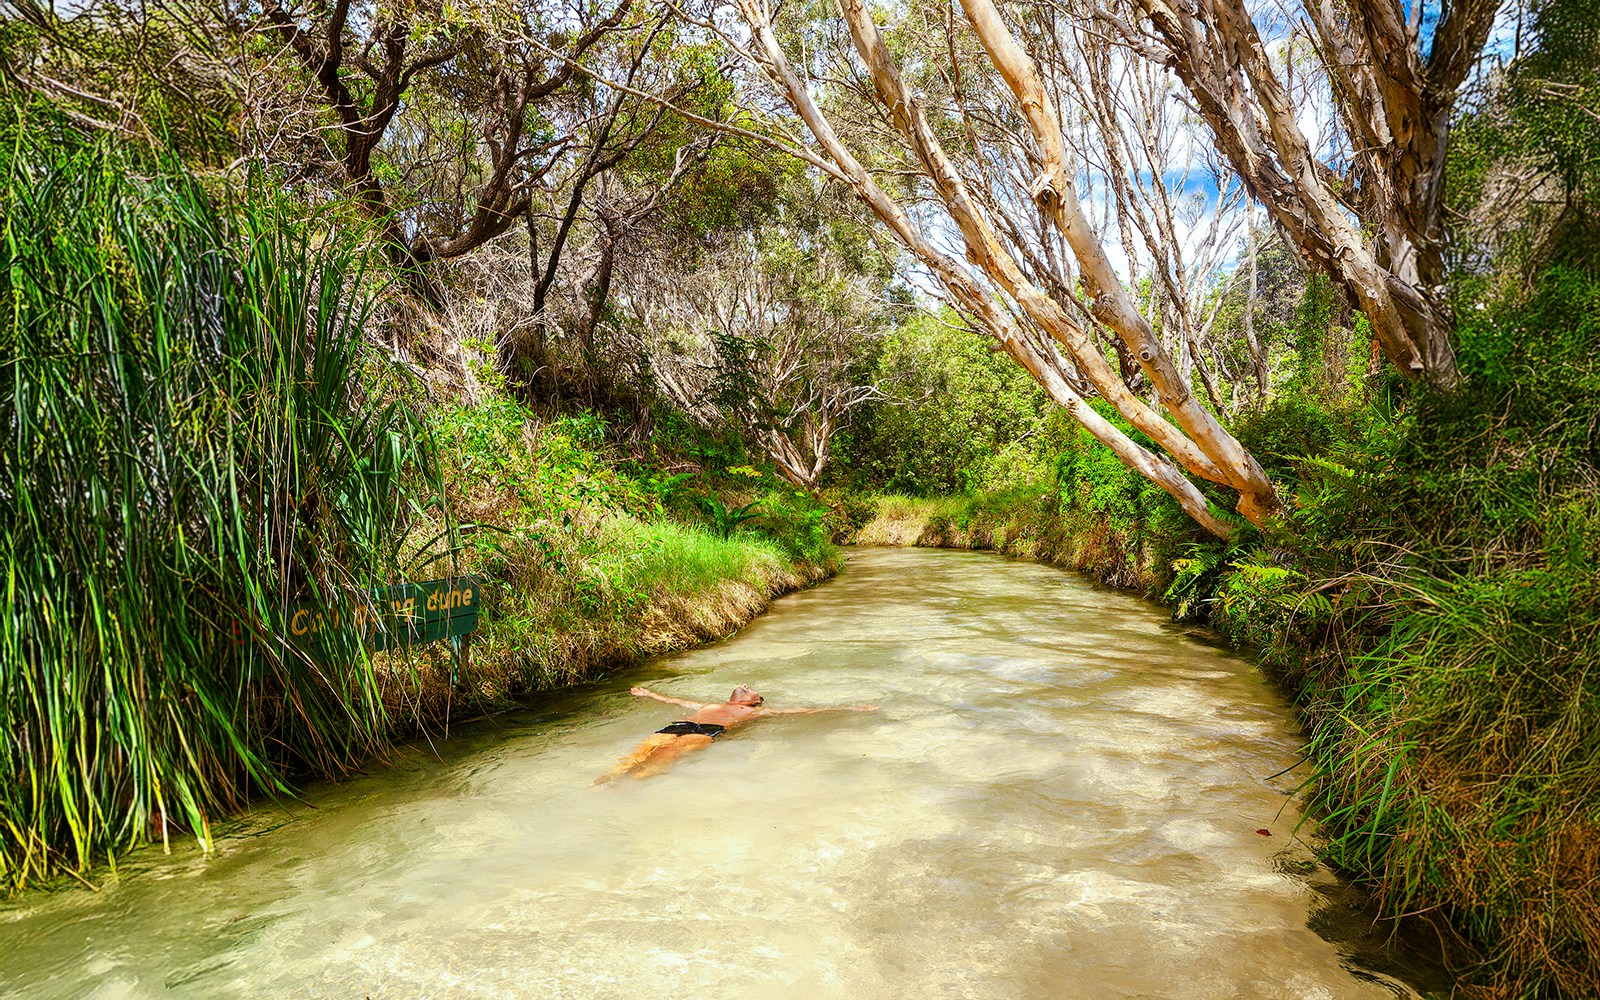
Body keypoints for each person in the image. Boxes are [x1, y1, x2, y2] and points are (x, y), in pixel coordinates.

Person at [594, 683, 878, 784]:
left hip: (700, 728)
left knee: (662, 752)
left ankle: (624, 782)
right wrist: (648, 693)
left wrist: (853, 707)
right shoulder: (725, 707)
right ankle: (613, 779)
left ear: (752, 700)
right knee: (649, 751)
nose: (745, 684)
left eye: (750, 688)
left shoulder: (746, 711)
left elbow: (804, 711)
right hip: (690, 728)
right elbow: (672, 700)